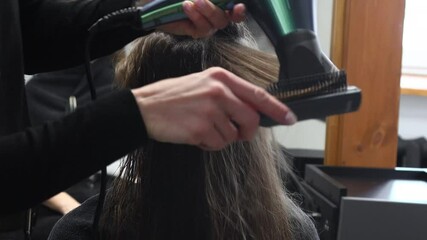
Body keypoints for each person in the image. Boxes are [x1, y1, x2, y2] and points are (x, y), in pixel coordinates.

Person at [0, 0, 296, 237]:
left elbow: (24, 27)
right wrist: (134, 115)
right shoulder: (294, 229)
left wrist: (144, 9)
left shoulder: (78, 230)